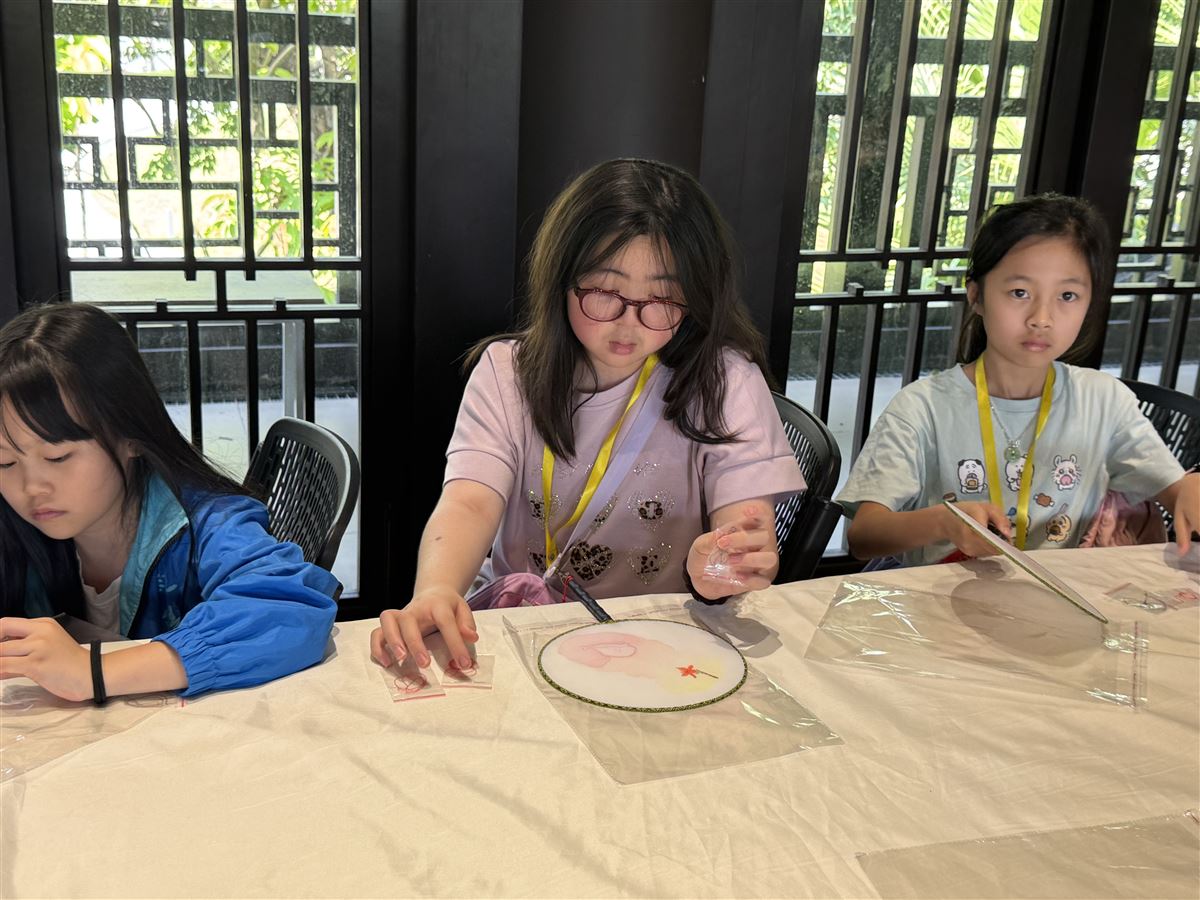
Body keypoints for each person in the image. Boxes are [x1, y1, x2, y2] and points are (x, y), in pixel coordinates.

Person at [372, 158, 805, 670]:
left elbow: (741, 532)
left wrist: (721, 568)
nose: (630, 323)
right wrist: (437, 588)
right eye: (604, 292)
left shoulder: (725, 382)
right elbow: (469, 501)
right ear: (562, 279)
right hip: (524, 627)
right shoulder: (507, 373)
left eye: (664, 298)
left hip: (656, 637)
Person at [0, 303, 339, 702]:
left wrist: (92, 672)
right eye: (4, 462)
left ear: (131, 436)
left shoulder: (207, 520)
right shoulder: (12, 522)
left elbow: (289, 610)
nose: (32, 487)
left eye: (58, 457)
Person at [837, 193, 1197, 567]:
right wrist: (944, 521)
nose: (1042, 318)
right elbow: (864, 535)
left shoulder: (1104, 401)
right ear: (976, 296)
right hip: (946, 597)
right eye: (1019, 293)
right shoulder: (922, 407)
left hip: (1062, 598)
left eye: (1068, 295)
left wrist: (1189, 488)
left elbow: (1176, 491)